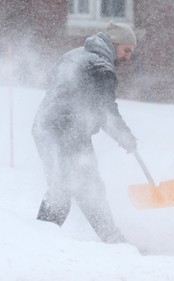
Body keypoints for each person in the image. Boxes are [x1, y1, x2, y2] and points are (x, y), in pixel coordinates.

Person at [32, 22, 138, 243]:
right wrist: (125, 138)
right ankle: (111, 239)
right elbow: (106, 110)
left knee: (62, 188)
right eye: (127, 50)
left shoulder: (74, 55)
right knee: (85, 188)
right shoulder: (101, 67)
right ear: (114, 44)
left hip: (45, 127)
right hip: (68, 131)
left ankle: (41, 239)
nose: (128, 57)